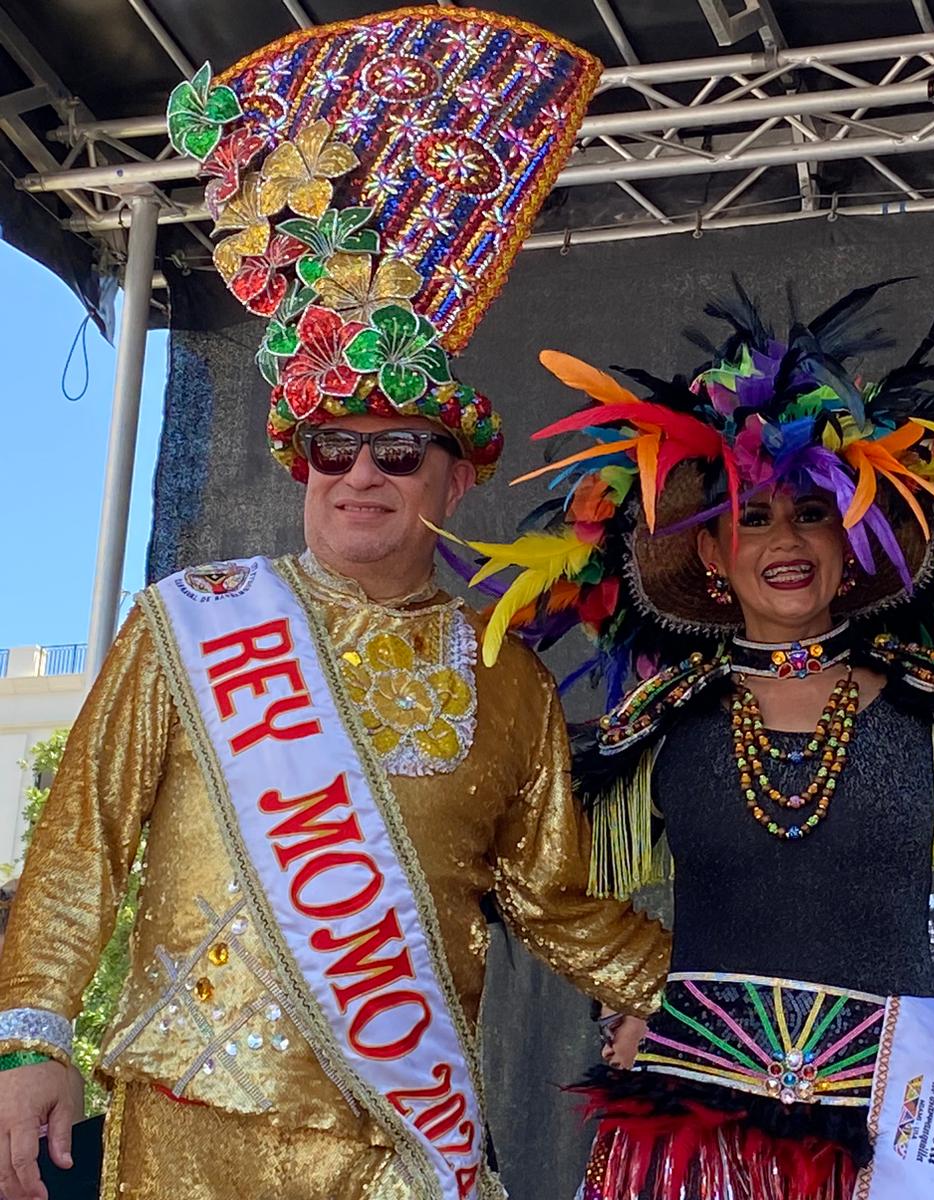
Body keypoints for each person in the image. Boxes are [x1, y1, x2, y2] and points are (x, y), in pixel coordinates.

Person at [0, 12, 668, 1200]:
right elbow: (78, 848)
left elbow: (549, 899)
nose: (362, 474)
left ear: (455, 476)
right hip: (194, 1116)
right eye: (334, 448)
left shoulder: (505, 673)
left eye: (398, 451)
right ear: (300, 466)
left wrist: (680, 992)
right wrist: (30, 1039)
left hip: (399, 1138)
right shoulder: (189, 621)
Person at [443, 281, 934, 1200]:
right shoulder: (663, 719)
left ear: (852, 536)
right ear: (714, 558)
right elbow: (556, 888)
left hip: (898, 1125)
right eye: (752, 518)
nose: (785, 540)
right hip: (695, 1124)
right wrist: (635, 996)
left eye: (811, 512)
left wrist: (885, 988)